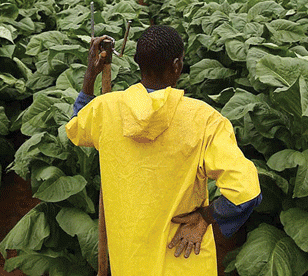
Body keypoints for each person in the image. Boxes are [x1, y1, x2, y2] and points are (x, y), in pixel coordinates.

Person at [66, 25, 262, 276]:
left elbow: (75, 127)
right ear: (177, 65)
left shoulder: (106, 109)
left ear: (137, 63)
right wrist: (205, 217)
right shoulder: (205, 119)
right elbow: (246, 191)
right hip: (183, 255)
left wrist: (90, 76)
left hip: (130, 261)